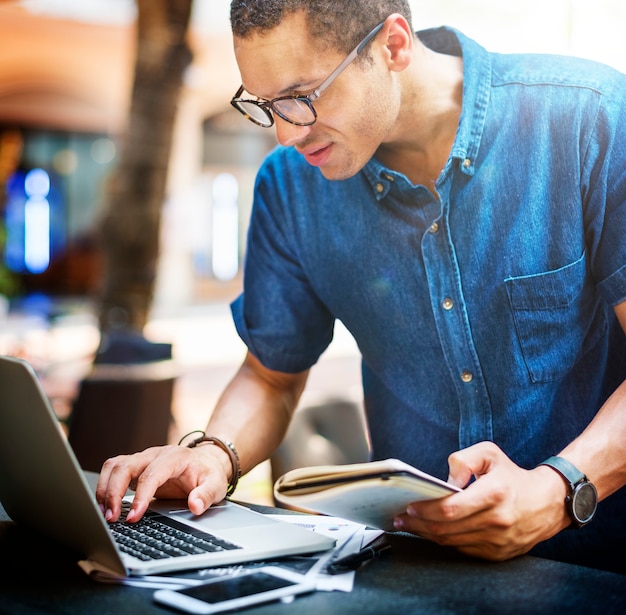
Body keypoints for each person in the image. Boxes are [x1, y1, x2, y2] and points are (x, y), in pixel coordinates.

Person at [96, 0, 626, 574]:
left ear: (392, 46)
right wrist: (212, 455)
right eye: (266, 105)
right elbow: (271, 377)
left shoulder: (592, 121)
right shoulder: (290, 188)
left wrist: (559, 490)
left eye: (301, 97)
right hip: (412, 573)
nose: (284, 135)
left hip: (599, 570)